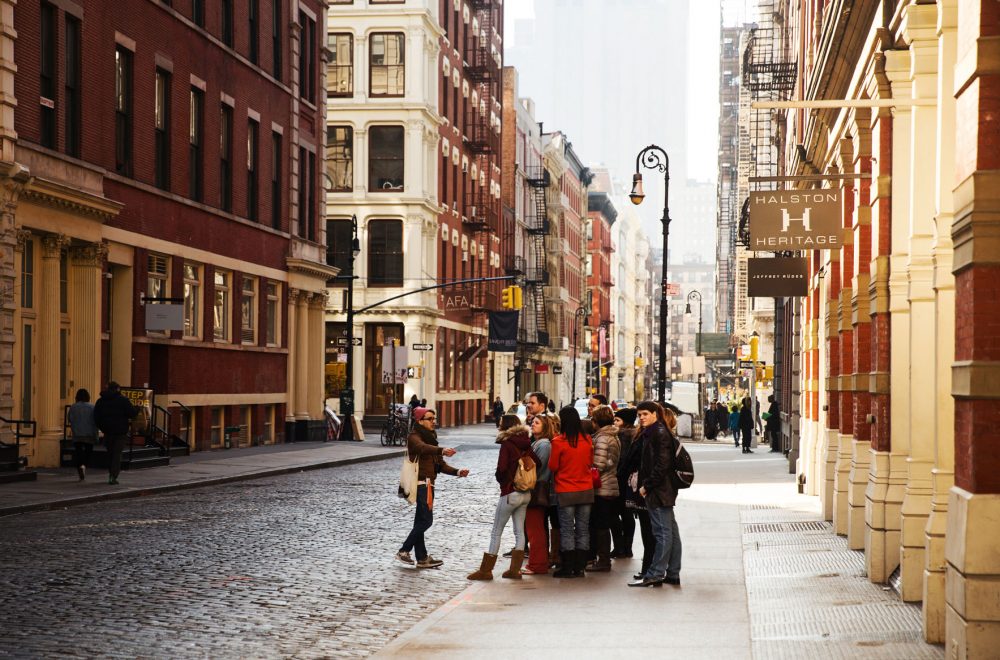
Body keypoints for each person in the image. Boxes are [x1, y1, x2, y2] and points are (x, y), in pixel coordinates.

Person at [468, 415, 539, 581]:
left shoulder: (507, 444)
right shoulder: (527, 443)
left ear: (504, 427)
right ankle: (515, 570)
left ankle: (486, 571)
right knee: (520, 531)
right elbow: (538, 463)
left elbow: (501, 468)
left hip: (510, 492)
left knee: (496, 532)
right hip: (526, 493)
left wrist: (503, 481)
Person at [397, 407, 469, 568]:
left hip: (429, 484)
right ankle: (404, 550)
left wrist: (458, 472)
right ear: (420, 421)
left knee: (420, 522)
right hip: (422, 484)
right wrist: (441, 450)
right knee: (426, 521)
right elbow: (421, 448)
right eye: (429, 419)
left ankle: (422, 558)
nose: (433, 422)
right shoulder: (414, 437)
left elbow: (440, 465)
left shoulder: (431, 439)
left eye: (434, 419)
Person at [629, 401, 682, 588]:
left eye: (645, 414)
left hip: (658, 491)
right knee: (670, 533)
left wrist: (646, 486)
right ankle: (672, 572)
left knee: (662, 533)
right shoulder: (657, 432)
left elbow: (662, 465)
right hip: (663, 490)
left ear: (655, 414)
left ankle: (655, 573)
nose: (641, 417)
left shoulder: (658, 433)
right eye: (639, 414)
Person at [548, 406, 595, 578]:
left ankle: (567, 567)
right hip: (586, 489)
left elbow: (553, 466)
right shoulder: (588, 439)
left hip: (566, 489)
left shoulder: (558, 442)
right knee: (583, 529)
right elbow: (590, 462)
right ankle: (580, 567)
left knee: (567, 529)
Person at [523, 414, 557, 575]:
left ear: (545, 427)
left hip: (537, 488)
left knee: (535, 528)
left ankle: (537, 564)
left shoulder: (544, 445)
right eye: (532, 422)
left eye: (537, 423)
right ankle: (537, 562)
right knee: (533, 527)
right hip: (534, 486)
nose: (533, 424)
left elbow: (536, 466)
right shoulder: (537, 443)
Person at [587, 405, 620, 572]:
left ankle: (603, 560)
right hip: (609, 485)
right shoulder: (610, 436)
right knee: (601, 524)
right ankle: (600, 558)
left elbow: (598, 465)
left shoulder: (602, 438)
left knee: (600, 525)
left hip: (602, 487)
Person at [93, 381, 138, 485]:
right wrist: (137, 409)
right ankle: (113, 476)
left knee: (110, 453)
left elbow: (96, 417)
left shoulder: (100, 401)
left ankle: (111, 473)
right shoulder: (123, 400)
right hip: (120, 432)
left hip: (107, 432)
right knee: (117, 455)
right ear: (117, 389)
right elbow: (132, 414)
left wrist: (102, 428)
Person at [611, 408, 638, 558]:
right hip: (630, 481)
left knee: (614, 514)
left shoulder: (621, 437)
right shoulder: (636, 436)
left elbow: (619, 460)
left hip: (619, 479)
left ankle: (619, 546)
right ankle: (627, 547)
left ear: (625, 422)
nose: (614, 423)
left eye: (617, 420)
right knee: (627, 514)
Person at [67, 388, 97, 481]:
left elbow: (70, 419)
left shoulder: (73, 407)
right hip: (89, 433)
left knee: (78, 451)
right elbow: (95, 420)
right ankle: (84, 465)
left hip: (77, 433)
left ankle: (80, 465)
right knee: (88, 451)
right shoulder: (92, 407)